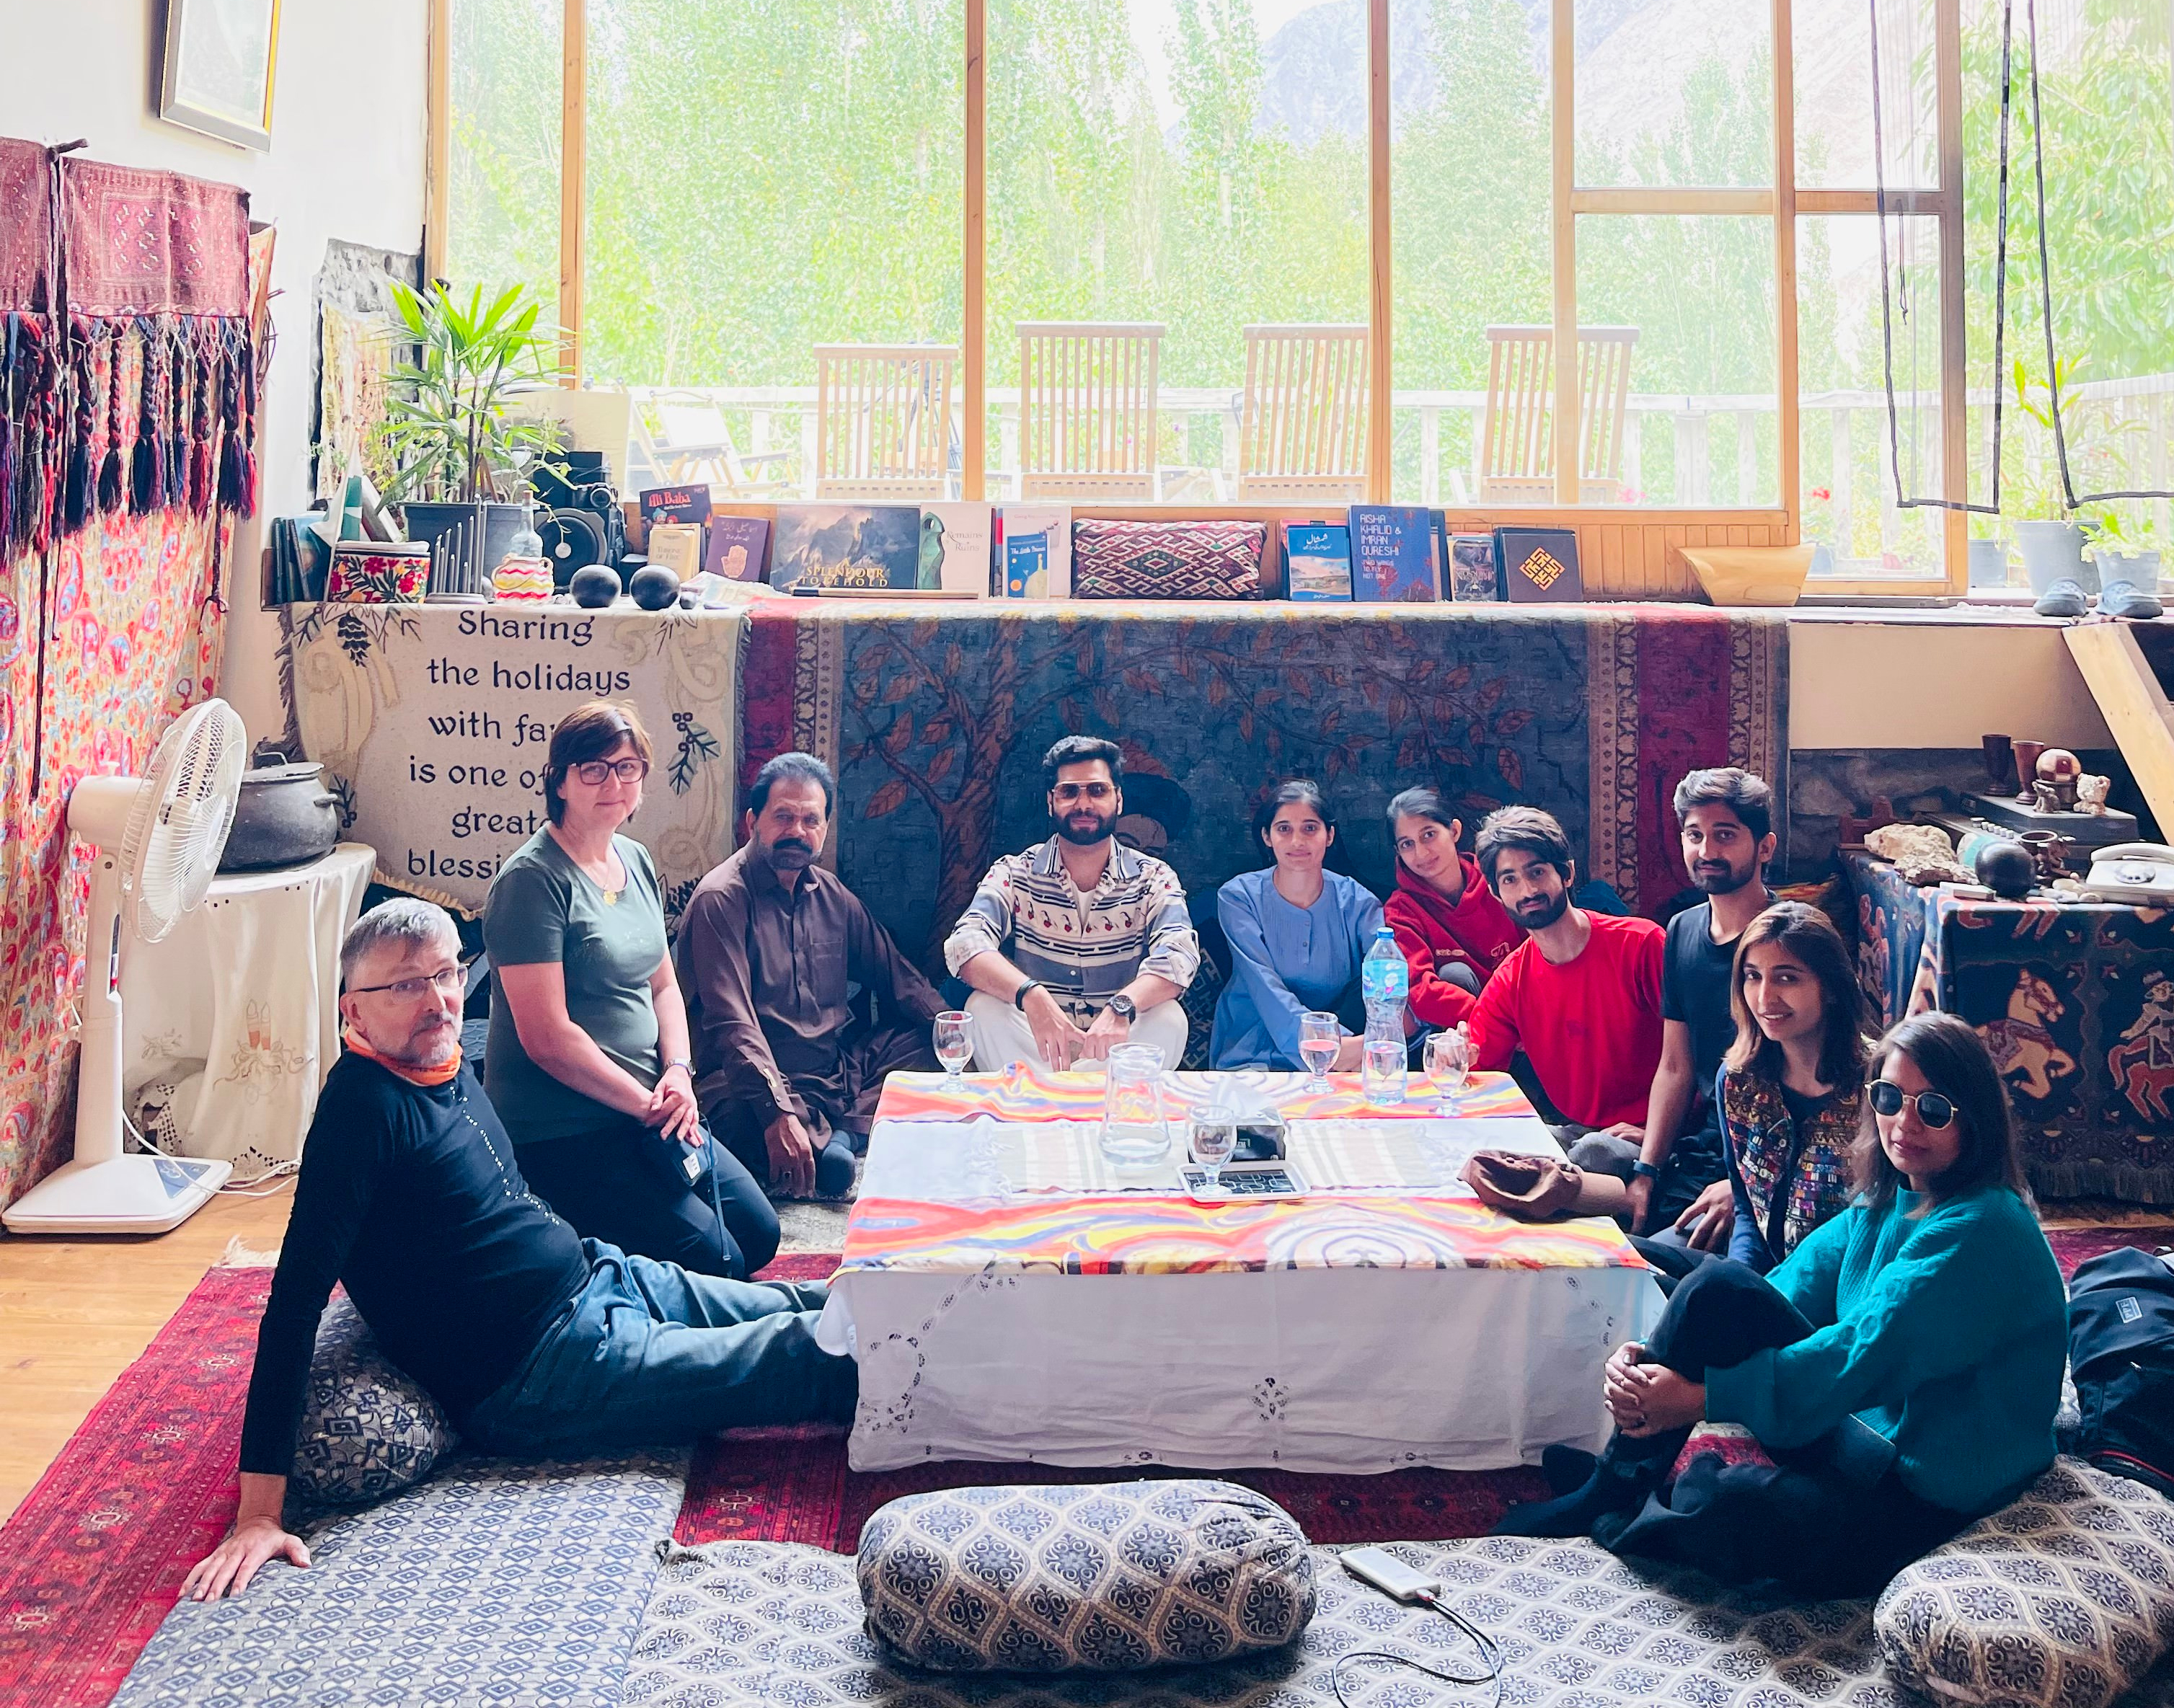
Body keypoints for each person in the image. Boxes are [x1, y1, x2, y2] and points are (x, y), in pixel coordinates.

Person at [180, 900, 852, 1603]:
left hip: (602, 1275)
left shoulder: (445, 1055)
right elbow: (291, 1308)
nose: (437, 998)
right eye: (406, 984)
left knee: (812, 1297)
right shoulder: (360, 1114)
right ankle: (962, 1382)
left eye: (446, 973)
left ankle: (951, 1315)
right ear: (353, 1009)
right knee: (804, 1351)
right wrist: (258, 1511)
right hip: (542, 1370)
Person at [1495, 1010, 2067, 1600]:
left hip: (1934, 1488)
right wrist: (1651, 1355)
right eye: (1891, 1097)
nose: (1903, 1123)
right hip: (1869, 1433)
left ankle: (1637, 1502)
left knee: (1729, 1507)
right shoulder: (1893, 1196)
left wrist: (1701, 1397)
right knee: (1717, 1289)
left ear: (1973, 1119)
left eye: (1933, 1108)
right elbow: (1773, 1294)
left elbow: (1858, 1353)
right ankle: (1615, 1484)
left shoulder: (1982, 1228)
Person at [483, 702, 778, 1277]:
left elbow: (664, 984)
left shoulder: (634, 858)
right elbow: (547, 1038)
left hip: (652, 1106)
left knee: (759, 1233)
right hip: (567, 1129)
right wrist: (645, 1105)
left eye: (627, 767)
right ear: (559, 780)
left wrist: (678, 1074)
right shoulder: (530, 881)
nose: (612, 783)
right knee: (716, 1257)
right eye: (592, 768)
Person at [676, 752, 943, 1199]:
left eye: (810, 820)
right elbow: (732, 1026)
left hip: (831, 1071)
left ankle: (839, 1137)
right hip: (750, 1081)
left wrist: (953, 1032)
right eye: (783, 817)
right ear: (752, 822)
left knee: (926, 1045)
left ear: (824, 829)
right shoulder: (721, 900)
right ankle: (836, 1136)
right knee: (737, 1122)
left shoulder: (831, 894)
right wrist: (777, 1113)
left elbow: (897, 977)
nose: (797, 832)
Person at [945, 735, 1198, 1071]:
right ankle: (1055, 1106)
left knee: (1169, 1018)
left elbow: (1179, 955)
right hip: (1038, 1044)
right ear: (1051, 802)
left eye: (1097, 791)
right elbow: (965, 944)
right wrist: (1031, 995)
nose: (1083, 805)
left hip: (1116, 1043)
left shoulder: (1153, 877)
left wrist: (1122, 1006)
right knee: (983, 1007)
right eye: (1069, 792)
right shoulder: (1016, 871)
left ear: (1118, 800)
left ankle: (1067, 1107)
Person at [1620, 769, 1780, 1244]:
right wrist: (1646, 1168)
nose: (1706, 851)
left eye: (1724, 835)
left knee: (1649, 1263)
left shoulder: (1790, 940)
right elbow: (1674, 1066)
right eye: (1694, 835)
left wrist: (1745, 1187)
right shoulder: (1682, 930)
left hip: (1765, 1168)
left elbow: (1822, 1090)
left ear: (1764, 847)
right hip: (1702, 1150)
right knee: (1573, 1185)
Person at [1464, 807, 1665, 1143]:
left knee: (1592, 1154)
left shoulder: (1641, 945)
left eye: (1537, 872)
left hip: (1661, 1133)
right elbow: (1476, 1070)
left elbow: (1701, 1056)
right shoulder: (1511, 980)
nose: (1527, 891)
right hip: (1575, 1131)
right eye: (1510, 879)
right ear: (1497, 894)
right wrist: (1458, 1058)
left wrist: (1657, 1134)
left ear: (1568, 874)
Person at [1209, 781, 1384, 1070]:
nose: (1297, 842)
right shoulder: (1239, 898)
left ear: (1329, 835)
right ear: (1267, 837)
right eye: (1284, 829)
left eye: (1310, 828)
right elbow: (1263, 985)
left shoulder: (1357, 902)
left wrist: (1378, 1037)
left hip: (1350, 1047)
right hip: (1255, 1047)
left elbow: (1388, 978)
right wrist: (1328, 1047)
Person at [1382, 787, 1525, 1030]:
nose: (1421, 852)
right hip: (1467, 1027)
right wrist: (1493, 1022)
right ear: (1398, 852)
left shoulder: (1499, 879)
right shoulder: (1401, 910)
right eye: (1407, 844)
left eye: (1429, 835)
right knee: (1454, 973)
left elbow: (1539, 947)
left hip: (1522, 1006)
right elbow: (1419, 989)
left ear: (1454, 831)